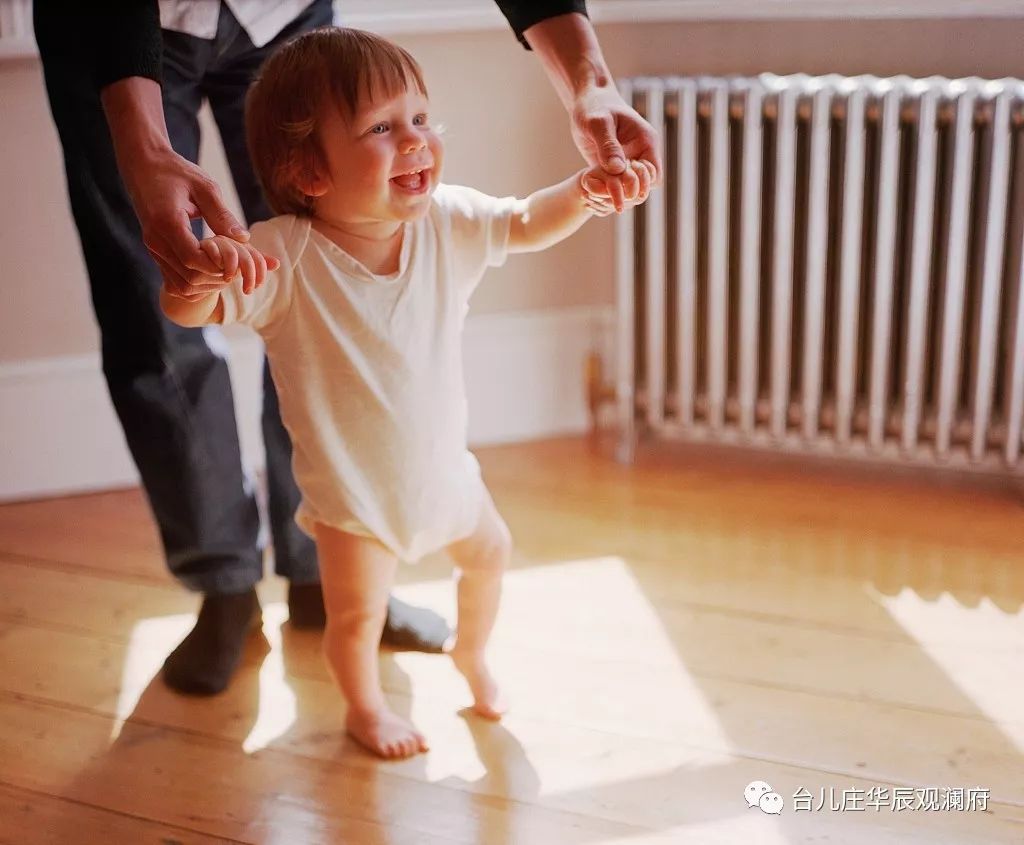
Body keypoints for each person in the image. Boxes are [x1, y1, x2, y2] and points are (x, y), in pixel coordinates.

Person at [33, 0, 660, 698]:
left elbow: (524, 220)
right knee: (148, 312)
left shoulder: (447, 218)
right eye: (386, 129)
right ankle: (229, 590)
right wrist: (193, 276)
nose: (417, 140)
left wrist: (588, 182)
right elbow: (184, 310)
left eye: (422, 119)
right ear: (310, 176)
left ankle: (318, 583)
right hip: (118, 35)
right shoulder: (282, 256)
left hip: (442, 477)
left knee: (485, 555)